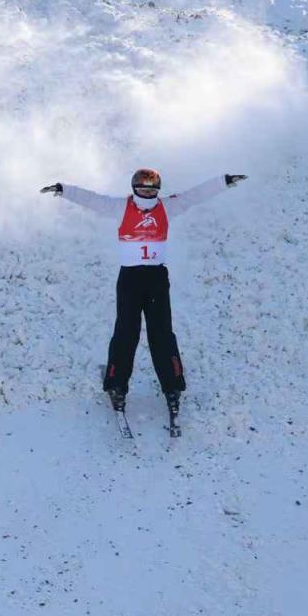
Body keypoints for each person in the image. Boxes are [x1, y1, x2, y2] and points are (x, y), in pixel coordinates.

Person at [40, 168, 247, 435]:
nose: (147, 193)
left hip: (156, 278)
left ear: (158, 189)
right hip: (130, 280)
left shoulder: (167, 207)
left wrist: (224, 182)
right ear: (134, 188)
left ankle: (172, 387)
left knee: (161, 333)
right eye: (143, 188)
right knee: (126, 332)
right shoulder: (119, 207)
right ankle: (116, 384)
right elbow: (91, 199)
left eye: (152, 188)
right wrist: (63, 189)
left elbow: (195, 196)